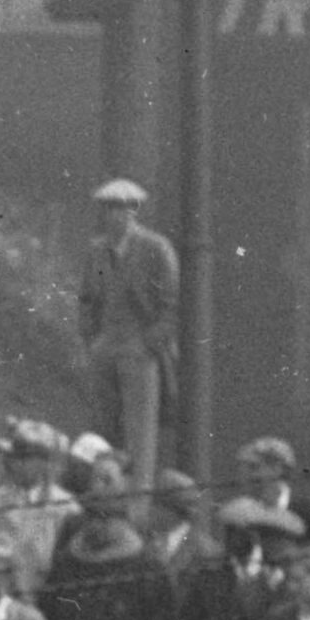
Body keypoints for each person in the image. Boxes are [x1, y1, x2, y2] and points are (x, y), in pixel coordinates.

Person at [71, 180, 182, 482]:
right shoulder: (96, 251)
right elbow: (87, 299)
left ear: (134, 211)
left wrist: (149, 342)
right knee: (102, 426)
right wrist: (91, 340)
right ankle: (105, 488)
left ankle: (137, 495)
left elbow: (171, 306)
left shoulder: (155, 248)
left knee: (139, 431)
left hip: (139, 348)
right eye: (109, 208)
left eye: (122, 208)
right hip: (105, 346)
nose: (115, 215)